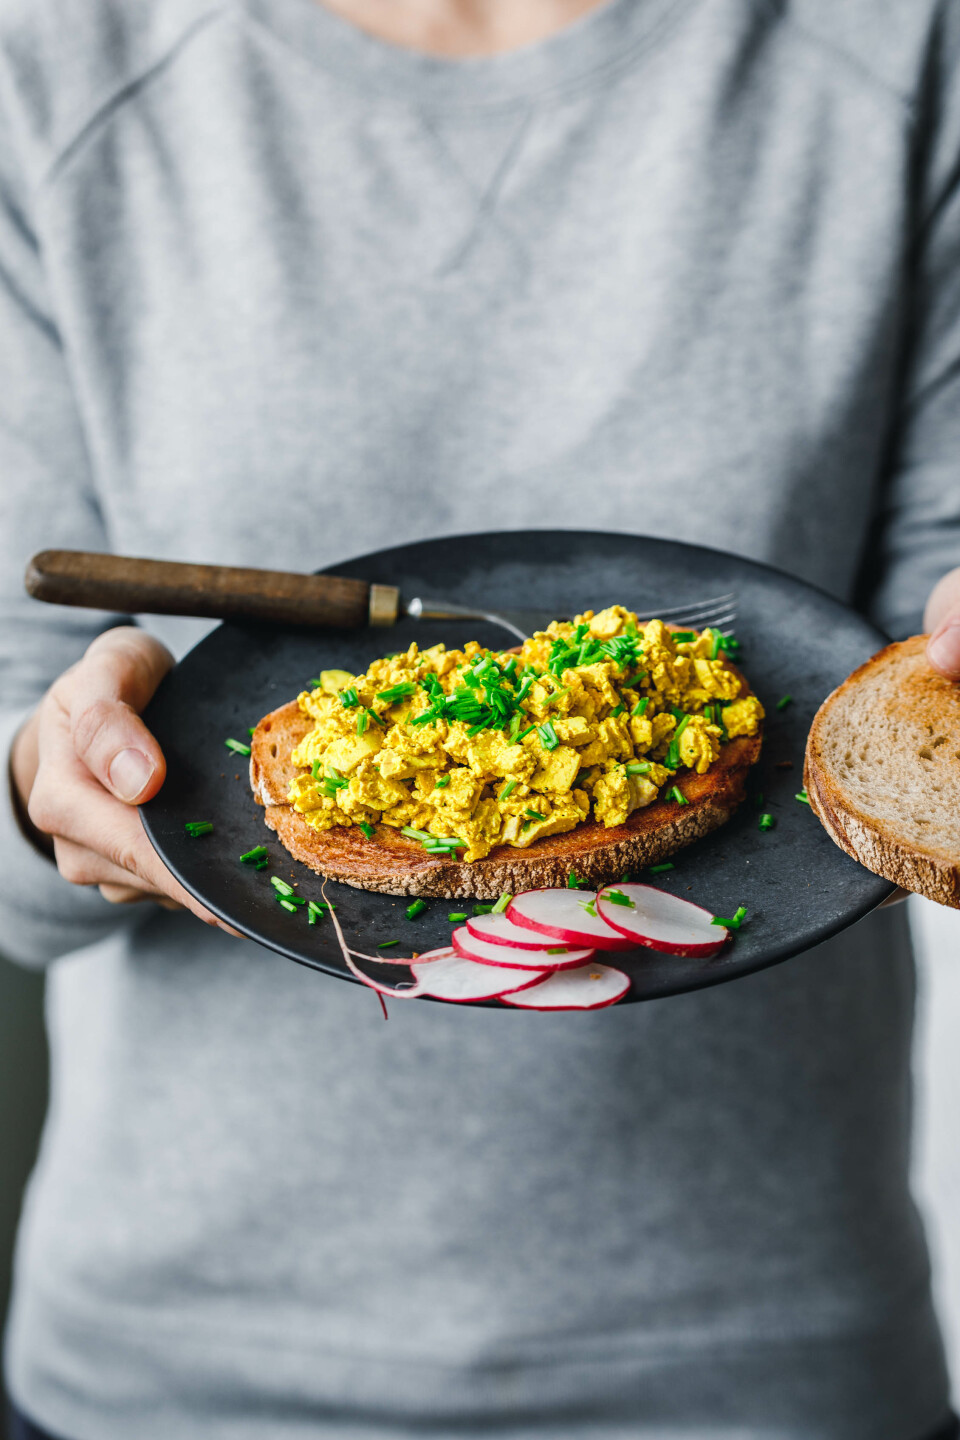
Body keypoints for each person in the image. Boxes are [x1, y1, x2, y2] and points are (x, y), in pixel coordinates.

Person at [2, 0, 960, 1436]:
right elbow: (22, 751)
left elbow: (909, 692)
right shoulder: (52, 62)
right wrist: (41, 786)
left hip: (764, 1351)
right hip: (178, 1364)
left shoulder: (903, 46)